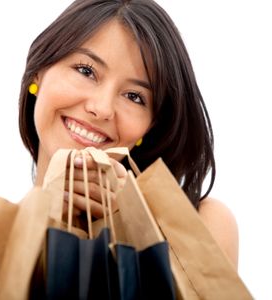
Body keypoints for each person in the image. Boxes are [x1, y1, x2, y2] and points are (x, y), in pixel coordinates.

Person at [18, 0, 238, 269]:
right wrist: (38, 219)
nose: (102, 109)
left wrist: (137, 229)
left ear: (151, 126)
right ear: (38, 73)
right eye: (86, 71)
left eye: (135, 97)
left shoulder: (204, 223)